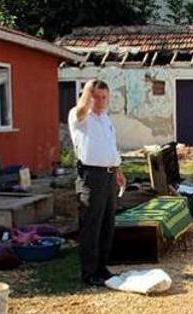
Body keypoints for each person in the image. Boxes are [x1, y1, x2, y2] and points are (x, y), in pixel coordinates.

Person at [68, 80, 126, 286]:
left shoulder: (105, 119)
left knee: (107, 224)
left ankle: (102, 267)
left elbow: (110, 146)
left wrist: (118, 170)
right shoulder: (79, 115)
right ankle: (89, 272)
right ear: (87, 96)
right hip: (91, 177)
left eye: (104, 97)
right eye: (96, 96)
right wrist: (89, 87)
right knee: (91, 226)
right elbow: (83, 107)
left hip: (109, 175)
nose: (101, 101)